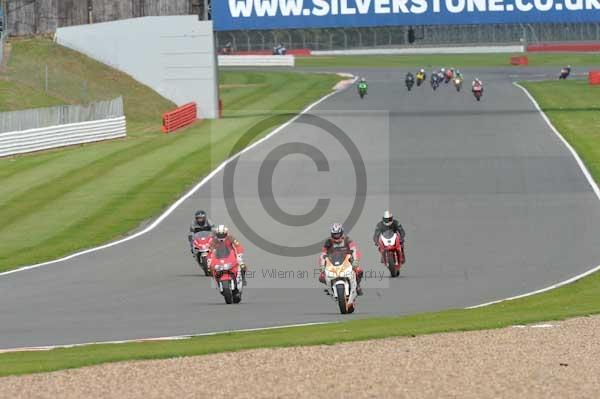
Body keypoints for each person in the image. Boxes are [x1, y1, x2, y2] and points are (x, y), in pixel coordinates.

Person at [318, 223, 364, 296]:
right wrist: (322, 266)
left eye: (338, 234)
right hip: (333, 261)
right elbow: (323, 254)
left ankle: (357, 285)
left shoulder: (347, 240)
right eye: (335, 234)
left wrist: (355, 261)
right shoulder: (328, 242)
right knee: (321, 277)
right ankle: (330, 287)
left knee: (359, 271)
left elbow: (354, 249)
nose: (336, 236)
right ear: (332, 234)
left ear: (341, 233)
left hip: (347, 260)